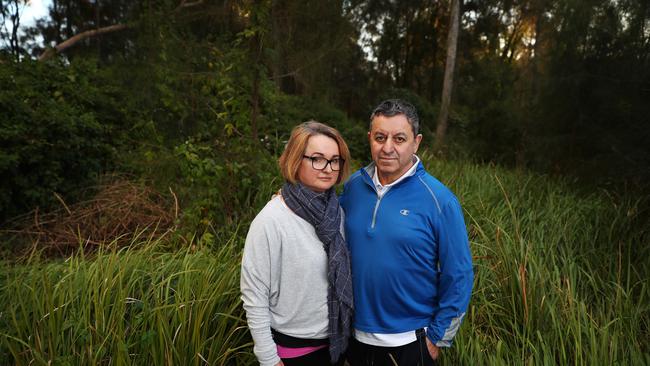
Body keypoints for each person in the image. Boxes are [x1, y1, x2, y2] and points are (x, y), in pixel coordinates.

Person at [340, 99, 474, 366]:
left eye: (399, 138)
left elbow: (459, 274)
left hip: (411, 342)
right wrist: (286, 201)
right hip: (356, 337)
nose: (388, 147)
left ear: (416, 142)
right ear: (370, 139)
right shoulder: (353, 186)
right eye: (380, 137)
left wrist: (435, 339)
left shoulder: (439, 200)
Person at [241, 121, 354, 366]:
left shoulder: (337, 213)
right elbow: (254, 295)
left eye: (335, 160)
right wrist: (269, 358)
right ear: (295, 159)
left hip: (337, 343)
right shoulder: (272, 220)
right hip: (293, 352)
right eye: (317, 158)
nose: (328, 168)